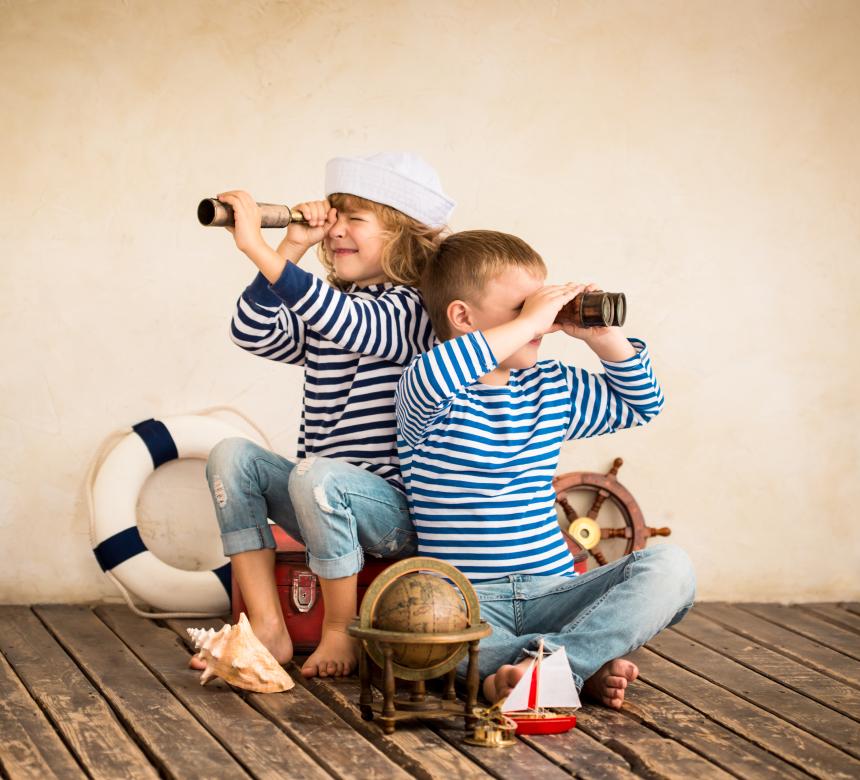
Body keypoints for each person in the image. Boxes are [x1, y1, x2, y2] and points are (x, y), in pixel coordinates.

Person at [395, 229, 695, 708]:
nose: (542, 321)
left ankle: (549, 664)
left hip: (554, 592)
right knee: (408, 632)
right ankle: (576, 663)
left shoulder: (550, 386)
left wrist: (602, 336)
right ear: (462, 317)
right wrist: (533, 319)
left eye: (543, 306)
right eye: (523, 308)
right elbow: (443, 369)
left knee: (673, 568)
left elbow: (644, 404)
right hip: (466, 604)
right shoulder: (428, 386)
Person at [200, 152, 455, 678]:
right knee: (231, 457)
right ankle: (267, 627)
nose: (335, 229)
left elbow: (350, 323)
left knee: (318, 474)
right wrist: (290, 245)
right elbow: (251, 331)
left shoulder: (414, 312)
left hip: (392, 517)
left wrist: (256, 249)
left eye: (354, 219)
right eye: (333, 216)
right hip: (318, 500)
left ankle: (341, 630)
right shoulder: (332, 307)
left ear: (406, 237)